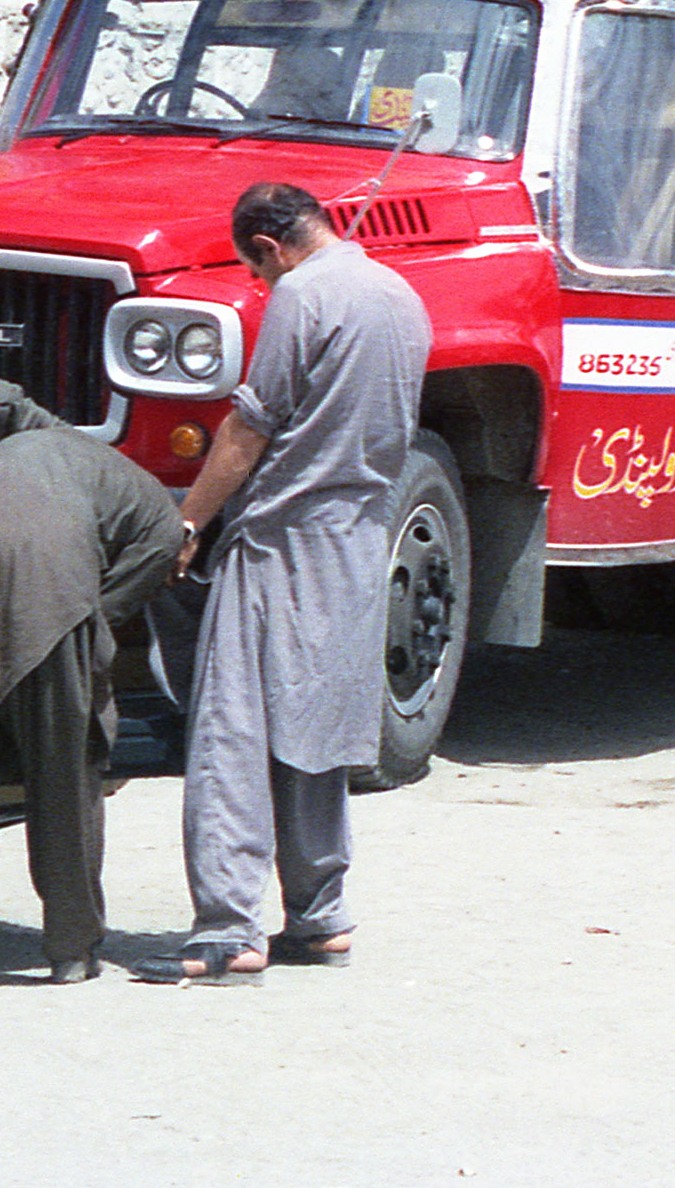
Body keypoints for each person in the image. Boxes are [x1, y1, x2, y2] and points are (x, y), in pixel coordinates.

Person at [136, 181, 423, 985]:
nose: (261, 287)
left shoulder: (303, 293)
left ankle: (228, 929)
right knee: (314, 734)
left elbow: (248, 428)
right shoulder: (399, 293)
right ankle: (321, 915)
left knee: (232, 732)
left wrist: (187, 526)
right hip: (360, 540)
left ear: (267, 248)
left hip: (281, 543)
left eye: (254, 273)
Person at [0, 377, 185, 996]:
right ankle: (72, 947)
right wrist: (88, 628)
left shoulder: (29, 438)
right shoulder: (152, 503)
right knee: (68, 766)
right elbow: (158, 554)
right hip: (49, 571)